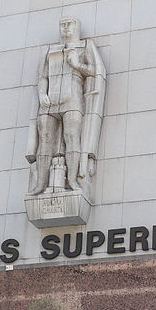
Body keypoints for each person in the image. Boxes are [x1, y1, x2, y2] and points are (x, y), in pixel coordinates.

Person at [27, 17, 106, 195]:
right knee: (45, 140)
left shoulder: (84, 46)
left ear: (76, 27)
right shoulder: (49, 50)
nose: (65, 28)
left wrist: (77, 64)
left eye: (69, 24)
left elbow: (94, 71)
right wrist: (42, 94)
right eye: (62, 24)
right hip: (49, 100)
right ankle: (40, 184)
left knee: (71, 137)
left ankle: (71, 180)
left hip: (73, 98)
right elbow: (42, 76)